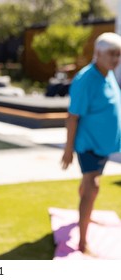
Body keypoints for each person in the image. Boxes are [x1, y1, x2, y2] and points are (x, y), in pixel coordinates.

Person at [61, 32, 121, 254]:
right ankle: (82, 242)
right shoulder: (86, 79)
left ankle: (85, 217)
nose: (116, 59)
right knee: (92, 187)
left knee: (89, 185)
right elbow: (73, 116)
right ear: (97, 54)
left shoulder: (108, 74)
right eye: (111, 54)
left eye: (119, 55)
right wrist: (68, 150)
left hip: (103, 146)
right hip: (88, 145)